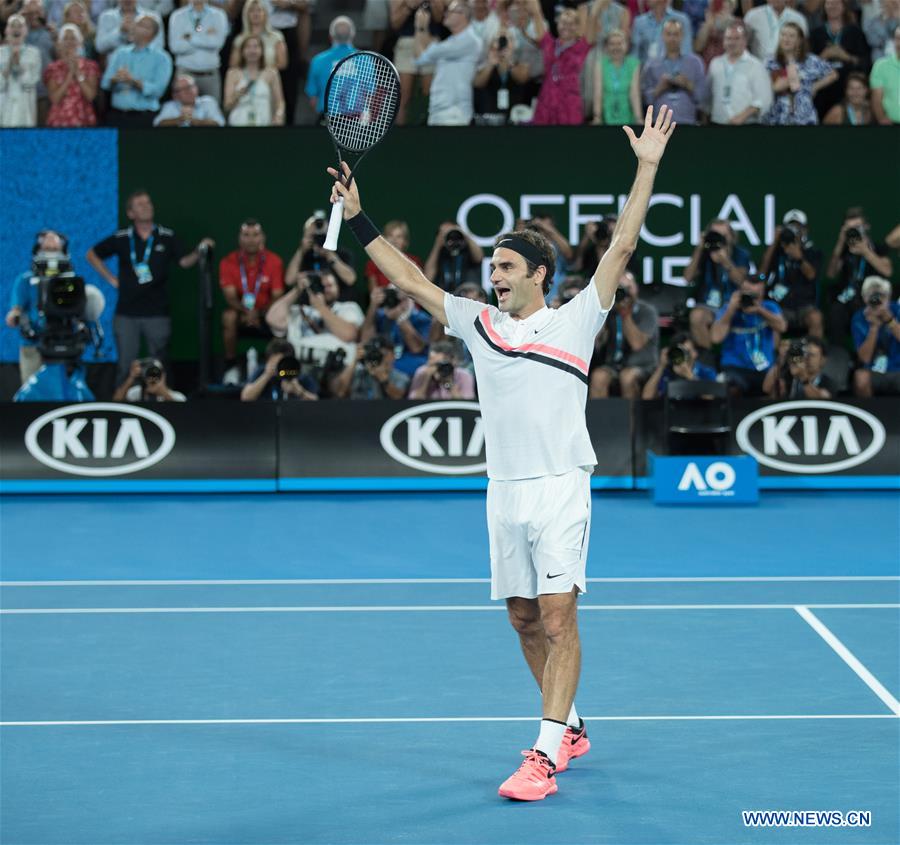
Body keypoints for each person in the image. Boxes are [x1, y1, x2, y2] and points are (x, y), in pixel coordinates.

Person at [326, 104, 677, 801]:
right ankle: (570, 726)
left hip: (561, 487)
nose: (496, 275)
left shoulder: (577, 318)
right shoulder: (480, 323)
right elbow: (410, 281)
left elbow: (623, 247)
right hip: (504, 489)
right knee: (522, 617)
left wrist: (646, 168)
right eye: (493, 266)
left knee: (557, 616)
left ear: (541, 274)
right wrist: (361, 217)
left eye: (509, 266)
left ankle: (543, 757)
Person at [87, 190, 214, 383]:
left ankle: (161, 405)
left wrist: (200, 250)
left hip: (157, 311)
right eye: (140, 204)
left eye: (148, 203)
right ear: (130, 213)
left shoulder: (166, 237)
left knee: (159, 363)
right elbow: (92, 254)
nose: (146, 206)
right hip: (127, 312)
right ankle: (123, 404)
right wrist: (112, 280)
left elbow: (184, 262)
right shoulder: (122, 238)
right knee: (126, 365)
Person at [264, 270, 364, 384]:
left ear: (338, 288)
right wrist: (297, 289)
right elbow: (271, 319)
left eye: (330, 285)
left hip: (337, 371)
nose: (325, 289)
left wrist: (320, 307)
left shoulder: (348, 308)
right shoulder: (299, 311)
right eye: (321, 286)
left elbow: (349, 334)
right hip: (299, 372)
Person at [219, 218, 284, 383]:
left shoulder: (274, 261)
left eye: (255, 235)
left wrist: (259, 312)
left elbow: (277, 295)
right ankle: (231, 366)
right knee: (228, 316)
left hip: (266, 314)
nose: (251, 239)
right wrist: (246, 312)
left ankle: (278, 368)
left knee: (282, 317)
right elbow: (230, 297)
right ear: (240, 239)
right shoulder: (228, 262)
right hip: (241, 314)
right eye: (246, 235)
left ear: (262, 238)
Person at [6, 230, 68, 385]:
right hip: (33, 346)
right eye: (47, 249)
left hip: (63, 344)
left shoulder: (70, 282)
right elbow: (15, 310)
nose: (50, 253)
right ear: (37, 251)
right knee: (32, 389)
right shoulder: (25, 280)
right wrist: (14, 317)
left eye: (54, 249)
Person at [711, 274, 788, 396]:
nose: (751, 298)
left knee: (779, 388)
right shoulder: (728, 308)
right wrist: (731, 309)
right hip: (735, 367)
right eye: (748, 293)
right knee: (731, 388)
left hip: (765, 368)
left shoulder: (770, 307)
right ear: (740, 292)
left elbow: (782, 327)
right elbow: (716, 338)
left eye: (756, 294)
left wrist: (759, 310)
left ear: (762, 293)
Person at [826, 207, 894, 342]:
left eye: (857, 226)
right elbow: (831, 274)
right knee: (836, 311)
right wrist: (840, 243)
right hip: (847, 298)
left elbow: (887, 271)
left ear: (866, 227)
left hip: (871, 297)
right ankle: (838, 356)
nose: (854, 231)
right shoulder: (844, 252)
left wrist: (865, 252)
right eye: (850, 228)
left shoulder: (877, 249)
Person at [684, 219, 751, 356]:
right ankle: (709, 360)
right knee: (697, 316)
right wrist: (699, 248)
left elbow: (741, 281)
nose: (719, 239)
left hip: (732, 303)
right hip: (708, 304)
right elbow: (687, 277)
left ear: (732, 237)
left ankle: (723, 361)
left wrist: (725, 261)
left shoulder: (740, 253)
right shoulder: (704, 252)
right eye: (715, 235)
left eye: (724, 236)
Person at [527, 0, 600, 125]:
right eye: (563, 23)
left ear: (578, 27)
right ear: (557, 24)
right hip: (547, 101)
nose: (566, 26)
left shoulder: (582, 46)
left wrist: (595, 9)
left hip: (569, 103)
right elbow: (536, 12)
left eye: (571, 24)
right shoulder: (548, 43)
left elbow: (593, 16)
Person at [589, 270, 660, 398]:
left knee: (627, 377)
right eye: (620, 288)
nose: (626, 293)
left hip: (643, 365)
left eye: (629, 288)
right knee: (598, 377)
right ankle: (600, 418)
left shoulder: (647, 311)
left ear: (636, 288)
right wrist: (602, 308)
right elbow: (594, 339)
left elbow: (637, 344)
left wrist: (625, 313)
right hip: (614, 365)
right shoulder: (609, 310)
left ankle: (631, 418)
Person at [413, 0, 482, 126]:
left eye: (451, 11)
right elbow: (422, 58)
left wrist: (420, 27)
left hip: (455, 113)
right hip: (438, 111)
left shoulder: (469, 40)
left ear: (463, 15)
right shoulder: (451, 40)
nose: (446, 14)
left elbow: (421, 57)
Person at [759, 209, 823, 338]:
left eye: (797, 227)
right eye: (790, 226)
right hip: (780, 305)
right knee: (772, 317)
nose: (794, 230)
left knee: (815, 318)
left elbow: (811, 275)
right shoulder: (776, 253)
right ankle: (773, 357)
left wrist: (799, 257)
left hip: (804, 305)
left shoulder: (812, 253)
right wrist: (774, 242)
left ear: (805, 230)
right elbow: (762, 273)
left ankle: (815, 353)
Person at [100, 14, 173, 127]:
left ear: (151, 33)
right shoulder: (120, 53)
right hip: (117, 116)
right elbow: (104, 83)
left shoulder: (162, 58)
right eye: (135, 24)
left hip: (146, 118)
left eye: (140, 25)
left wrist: (133, 81)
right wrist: (115, 79)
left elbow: (158, 91)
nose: (133, 27)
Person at [764, 23, 838, 125]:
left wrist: (815, 87)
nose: (786, 39)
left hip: (804, 116)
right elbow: (767, 87)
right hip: (777, 116)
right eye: (783, 35)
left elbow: (833, 74)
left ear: (799, 40)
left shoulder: (810, 60)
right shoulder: (770, 61)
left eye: (791, 36)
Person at [810, 0, 871, 117]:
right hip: (823, 90)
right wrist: (823, 56)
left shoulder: (855, 32)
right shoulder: (815, 33)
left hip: (848, 89)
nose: (833, 6)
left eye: (837, 3)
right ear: (824, 7)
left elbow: (865, 62)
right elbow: (806, 65)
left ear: (844, 7)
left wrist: (846, 56)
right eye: (829, 3)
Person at [640, 18, 706, 124]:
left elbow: (702, 98)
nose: (672, 38)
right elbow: (645, 100)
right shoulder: (651, 65)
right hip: (659, 125)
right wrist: (660, 88)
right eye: (669, 34)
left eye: (676, 34)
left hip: (687, 123)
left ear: (682, 36)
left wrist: (687, 85)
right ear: (662, 36)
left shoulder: (695, 63)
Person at [706, 22, 773, 124]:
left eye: (737, 38)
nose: (732, 42)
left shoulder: (756, 66)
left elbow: (764, 99)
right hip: (718, 124)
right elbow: (707, 95)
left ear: (745, 41)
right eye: (728, 38)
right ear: (723, 41)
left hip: (746, 125)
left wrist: (742, 117)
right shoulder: (715, 64)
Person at [361, 285, 432, 376]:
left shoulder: (421, 319)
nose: (394, 302)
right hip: (383, 362)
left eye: (400, 299)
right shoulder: (381, 316)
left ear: (408, 299)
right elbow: (366, 340)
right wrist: (373, 306)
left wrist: (400, 318)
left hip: (409, 364)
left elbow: (416, 348)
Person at [390, 0, 441, 126]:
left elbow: (440, 18)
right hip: (407, 43)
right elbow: (395, 23)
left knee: (430, 95)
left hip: (430, 42)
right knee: (403, 98)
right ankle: (400, 135)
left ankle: (431, 133)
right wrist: (409, 6)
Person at [167, 0, 228, 102]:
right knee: (182, 113)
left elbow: (218, 43)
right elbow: (176, 47)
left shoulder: (219, 15)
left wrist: (189, 37)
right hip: (184, 73)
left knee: (212, 114)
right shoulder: (177, 16)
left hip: (210, 75)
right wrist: (206, 37)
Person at [851, 275, 900, 396]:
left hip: (898, 369)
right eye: (872, 295)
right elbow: (865, 358)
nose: (877, 300)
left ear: (888, 297)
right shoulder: (859, 318)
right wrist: (874, 327)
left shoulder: (897, 310)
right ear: (864, 298)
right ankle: (865, 414)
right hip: (874, 371)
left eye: (881, 295)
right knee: (860, 378)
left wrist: (889, 320)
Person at [285, 212, 357, 292]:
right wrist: (301, 250)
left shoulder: (343, 253)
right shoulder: (303, 255)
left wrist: (329, 255)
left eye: (322, 236)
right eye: (314, 236)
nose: (318, 239)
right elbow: (289, 281)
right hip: (308, 301)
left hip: (338, 302)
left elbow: (350, 280)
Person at [44, 23, 99, 127]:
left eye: (73, 38)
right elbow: (55, 99)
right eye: (65, 38)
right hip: (59, 119)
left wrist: (78, 73)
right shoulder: (53, 68)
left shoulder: (90, 66)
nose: (69, 42)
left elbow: (90, 96)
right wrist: (69, 75)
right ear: (59, 43)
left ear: (80, 42)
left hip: (84, 117)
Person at [224, 34, 285, 126]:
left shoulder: (272, 73)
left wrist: (278, 115)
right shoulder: (232, 74)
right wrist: (238, 95)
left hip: (263, 123)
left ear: (262, 51)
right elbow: (227, 106)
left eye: (256, 47)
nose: (252, 51)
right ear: (242, 51)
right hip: (239, 123)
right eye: (248, 47)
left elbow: (280, 102)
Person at [329, 335, 410, 399]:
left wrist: (382, 378)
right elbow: (339, 392)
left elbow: (398, 397)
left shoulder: (400, 377)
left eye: (383, 354)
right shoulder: (359, 373)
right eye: (376, 353)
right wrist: (354, 360)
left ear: (392, 355)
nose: (380, 358)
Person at [305, 14, 355, 116]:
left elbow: (313, 98)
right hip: (358, 124)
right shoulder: (366, 59)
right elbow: (371, 96)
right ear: (353, 35)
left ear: (330, 36)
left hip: (326, 120)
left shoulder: (317, 60)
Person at [641, 333, 718, 398]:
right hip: (669, 414)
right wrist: (661, 366)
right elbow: (647, 397)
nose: (684, 356)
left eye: (687, 351)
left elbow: (711, 398)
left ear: (695, 353)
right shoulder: (666, 372)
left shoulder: (706, 372)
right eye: (680, 352)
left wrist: (690, 376)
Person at [240, 338, 318, 401]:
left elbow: (317, 404)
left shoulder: (300, 376)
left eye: (281, 362)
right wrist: (266, 376)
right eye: (274, 362)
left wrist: (299, 392)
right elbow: (246, 397)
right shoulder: (261, 371)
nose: (278, 367)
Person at [591, 28, 642, 125]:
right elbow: (598, 92)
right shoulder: (600, 64)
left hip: (627, 116)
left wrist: (638, 118)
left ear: (626, 45)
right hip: (606, 117)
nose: (616, 47)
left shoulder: (634, 64)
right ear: (606, 47)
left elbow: (634, 93)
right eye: (612, 44)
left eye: (619, 43)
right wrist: (597, 116)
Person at [0, 13, 41, 126]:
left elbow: (31, 82)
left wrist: (19, 66)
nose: (16, 29)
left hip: (25, 104)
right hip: (4, 104)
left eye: (20, 26)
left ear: (25, 31)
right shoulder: (1, 53)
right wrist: (9, 65)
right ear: (6, 31)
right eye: (13, 26)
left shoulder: (34, 53)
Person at [763, 336, 836, 398]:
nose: (807, 358)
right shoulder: (789, 375)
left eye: (812, 355)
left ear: (822, 359)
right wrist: (781, 360)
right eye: (804, 354)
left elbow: (823, 400)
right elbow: (766, 389)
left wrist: (804, 378)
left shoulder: (828, 382)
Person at [424, 222, 484, 291]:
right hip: (443, 296)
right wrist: (438, 244)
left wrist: (463, 234)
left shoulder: (467, 251)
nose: (450, 235)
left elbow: (479, 257)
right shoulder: (439, 254)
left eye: (453, 232)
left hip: (466, 295)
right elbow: (428, 277)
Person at [229, 0, 287, 72]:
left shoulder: (276, 37)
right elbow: (234, 65)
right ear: (246, 14)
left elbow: (282, 63)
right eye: (252, 11)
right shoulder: (240, 39)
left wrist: (262, 73)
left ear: (265, 14)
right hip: (245, 79)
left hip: (269, 78)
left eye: (259, 10)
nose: (256, 14)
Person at [365, 220, 423, 292]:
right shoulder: (373, 263)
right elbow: (374, 293)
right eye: (390, 235)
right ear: (383, 239)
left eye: (399, 236)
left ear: (405, 241)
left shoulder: (414, 261)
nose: (394, 240)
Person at [408, 340, 477, 399]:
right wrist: (426, 379)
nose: (436, 368)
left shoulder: (464, 375)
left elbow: (467, 404)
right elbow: (413, 401)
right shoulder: (422, 372)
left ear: (453, 361)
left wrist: (449, 383)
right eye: (432, 365)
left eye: (439, 364)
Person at [743, 0, 807, 62]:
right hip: (759, 66)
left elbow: (803, 46)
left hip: (789, 65)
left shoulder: (798, 18)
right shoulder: (752, 16)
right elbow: (744, 44)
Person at [95, 0, 164, 57]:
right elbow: (100, 47)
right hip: (117, 67)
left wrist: (138, 36)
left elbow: (158, 46)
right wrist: (120, 31)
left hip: (145, 64)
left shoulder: (153, 16)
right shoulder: (106, 16)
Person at [154, 72, 225, 126]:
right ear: (176, 95)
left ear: (196, 88)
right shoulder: (170, 106)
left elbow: (219, 123)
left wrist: (197, 122)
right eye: (183, 89)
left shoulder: (209, 102)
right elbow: (158, 123)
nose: (189, 91)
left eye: (190, 87)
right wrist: (179, 120)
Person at [112, 358, 187, 402]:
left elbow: (180, 412)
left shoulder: (177, 396)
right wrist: (131, 378)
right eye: (149, 373)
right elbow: (116, 401)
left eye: (156, 373)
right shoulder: (137, 392)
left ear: (163, 375)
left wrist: (162, 392)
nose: (152, 377)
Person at [693, 0, 738, 68]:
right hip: (708, 65)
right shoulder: (707, 24)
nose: (722, 10)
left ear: (732, 8)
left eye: (725, 8)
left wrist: (726, 24)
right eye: (720, 7)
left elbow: (735, 48)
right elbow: (698, 48)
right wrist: (707, 26)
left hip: (730, 66)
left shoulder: (738, 25)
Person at [870, 25, 900, 124]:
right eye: (897, 38)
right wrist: (882, 119)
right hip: (890, 127)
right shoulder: (880, 66)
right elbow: (876, 98)